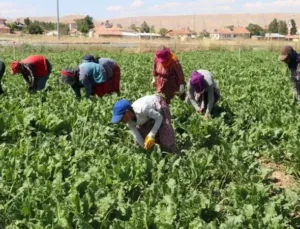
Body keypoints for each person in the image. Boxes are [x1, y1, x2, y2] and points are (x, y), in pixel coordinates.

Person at [111, 94, 178, 153]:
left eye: (121, 118)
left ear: (127, 112)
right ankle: (160, 150)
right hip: (147, 116)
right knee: (144, 135)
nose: (120, 121)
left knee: (165, 132)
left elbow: (159, 118)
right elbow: (137, 136)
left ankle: (173, 152)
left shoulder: (143, 108)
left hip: (158, 108)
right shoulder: (129, 122)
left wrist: (152, 134)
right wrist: (145, 148)